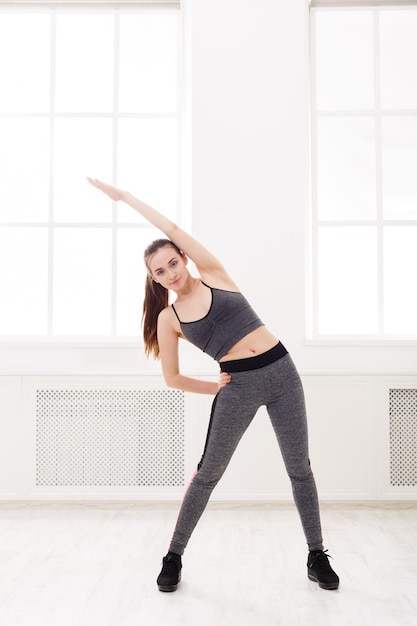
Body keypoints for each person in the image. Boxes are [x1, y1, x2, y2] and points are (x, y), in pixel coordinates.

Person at [87, 177, 340, 592]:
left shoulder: (214, 274)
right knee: (208, 474)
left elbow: (171, 227)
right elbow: (172, 378)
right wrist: (216, 389)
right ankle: (173, 557)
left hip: (282, 374)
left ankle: (316, 554)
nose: (169, 273)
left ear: (183, 258)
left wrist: (126, 197)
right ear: (153, 279)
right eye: (159, 271)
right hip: (237, 386)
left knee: (300, 469)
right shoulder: (169, 319)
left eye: (172, 262)